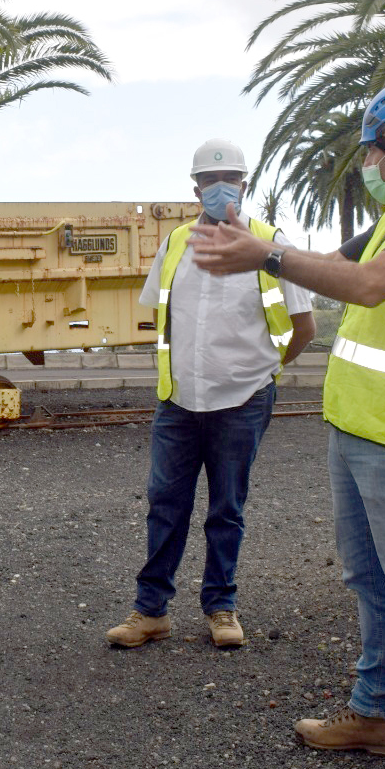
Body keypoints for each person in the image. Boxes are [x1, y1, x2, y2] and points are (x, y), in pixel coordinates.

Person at [191, 81, 385, 769]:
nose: (368, 163)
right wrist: (256, 237)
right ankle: (375, 716)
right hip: (358, 428)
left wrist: (262, 257)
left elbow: (362, 287)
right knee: (369, 582)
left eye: (373, 150)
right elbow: (329, 261)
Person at [107, 139, 314, 650]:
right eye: (211, 178)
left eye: (232, 177)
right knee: (165, 506)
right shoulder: (176, 242)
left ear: (245, 184)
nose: (221, 186)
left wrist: (265, 372)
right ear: (195, 187)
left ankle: (221, 607)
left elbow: (304, 326)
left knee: (227, 508)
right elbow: (159, 315)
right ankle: (150, 611)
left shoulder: (269, 243)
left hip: (243, 401)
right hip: (178, 402)